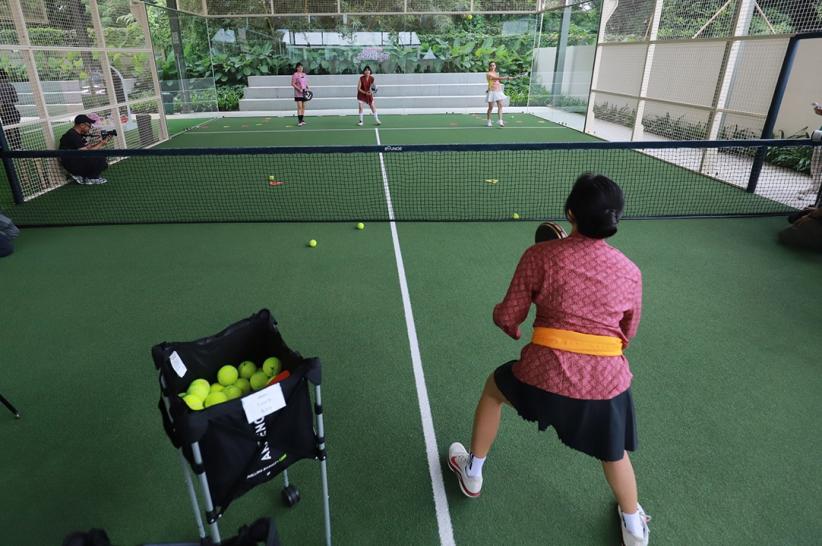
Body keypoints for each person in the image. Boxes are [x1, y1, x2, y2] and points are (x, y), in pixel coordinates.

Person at [447, 174, 651, 546]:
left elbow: (507, 317)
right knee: (613, 449)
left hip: (541, 376)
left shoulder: (539, 256)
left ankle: (472, 470)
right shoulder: (631, 272)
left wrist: (509, 324)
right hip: (605, 384)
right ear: (615, 218)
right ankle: (634, 525)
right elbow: (628, 331)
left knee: (494, 390)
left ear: (570, 212)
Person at [58, 114, 112, 185]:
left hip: (75, 160)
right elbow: (86, 153)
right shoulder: (73, 135)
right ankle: (90, 178)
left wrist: (99, 143)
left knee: (102, 159)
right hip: (72, 164)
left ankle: (84, 176)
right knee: (100, 158)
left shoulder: (75, 134)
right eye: (89, 126)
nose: (90, 128)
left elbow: (85, 150)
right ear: (81, 125)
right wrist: (101, 144)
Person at [800, 103, 822, 201]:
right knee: (815, 166)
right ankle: (815, 188)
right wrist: (818, 108)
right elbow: (819, 112)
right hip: (819, 139)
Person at [485, 61, 513, 128]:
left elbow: (496, 81)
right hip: (492, 92)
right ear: (489, 67)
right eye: (491, 65)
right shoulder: (488, 74)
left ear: (495, 66)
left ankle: (500, 121)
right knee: (490, 107)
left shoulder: (496, 73)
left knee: (500, 105)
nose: (492, 67)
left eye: (493, 65)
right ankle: (489, 121)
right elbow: (496, 79)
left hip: (498, 91)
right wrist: (507, 78)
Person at [0, 69, 22, 150]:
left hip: (3, 110)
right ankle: (18, 146)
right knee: (16, 128)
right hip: (11, 108)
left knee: (7, 130)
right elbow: (15, 99)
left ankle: (13, 146)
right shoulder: (10, 86)